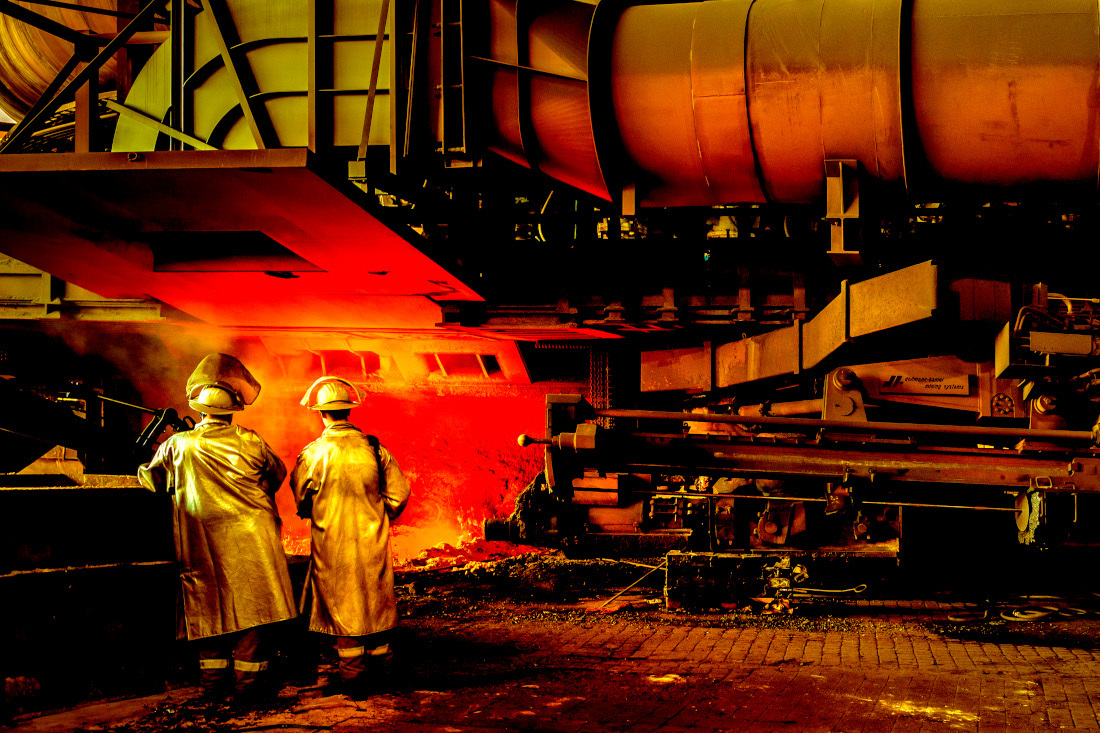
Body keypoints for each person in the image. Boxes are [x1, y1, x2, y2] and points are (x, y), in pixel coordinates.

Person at [138, 353, 297, 700]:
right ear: (232, 410)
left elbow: (151, 481)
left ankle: (213, 689)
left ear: (198, 410)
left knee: (207, 610)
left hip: (201, 542)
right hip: (254, 541)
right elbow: (277, 475)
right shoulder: (251, 441)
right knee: (255, 610)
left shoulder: (177, 445)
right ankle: (249, 690)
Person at [290, 376, 411, 695]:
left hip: (332, 544)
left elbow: (301, 497)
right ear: (348, 411)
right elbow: (399, 493)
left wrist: (315, 511)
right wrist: (377, 513)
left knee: (344, 607)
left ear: (321, 413)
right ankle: (384, 676)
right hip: (372, 542)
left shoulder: (313, 453)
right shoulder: (374, 447)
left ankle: (354, 680)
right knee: (374, 603)